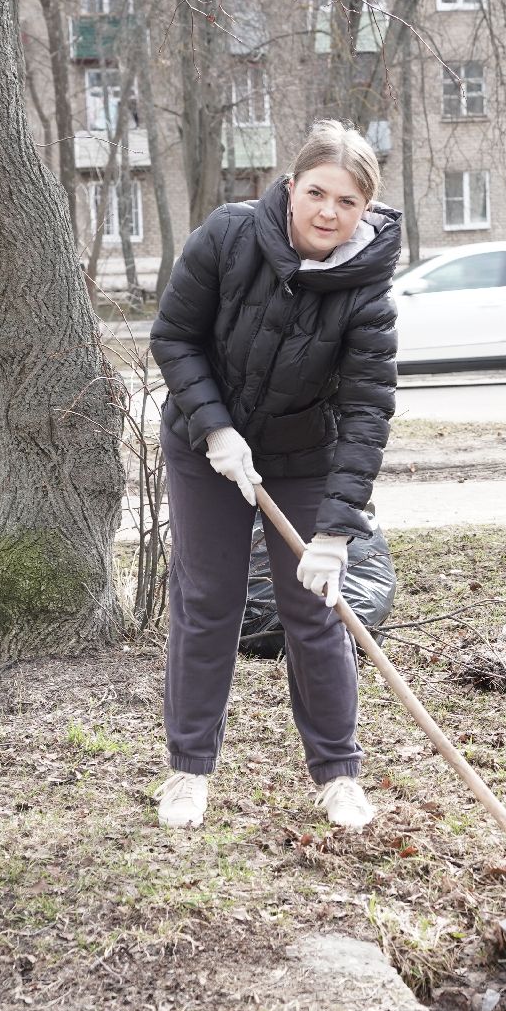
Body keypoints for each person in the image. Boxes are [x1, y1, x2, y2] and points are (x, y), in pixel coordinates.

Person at [147, 120, 401, 831]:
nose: (327, 211)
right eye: (316, 192)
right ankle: (188, 771)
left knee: (315, 610)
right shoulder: (227, 237)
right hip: (206, 447)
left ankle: (338, 775)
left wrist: (336, 533)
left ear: (365, 212)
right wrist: (216, 428)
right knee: (209, 602)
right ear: (291, 188)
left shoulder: (367, 295)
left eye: (346, 202)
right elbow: (174, 336)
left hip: (302, 457)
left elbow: (366, 415)